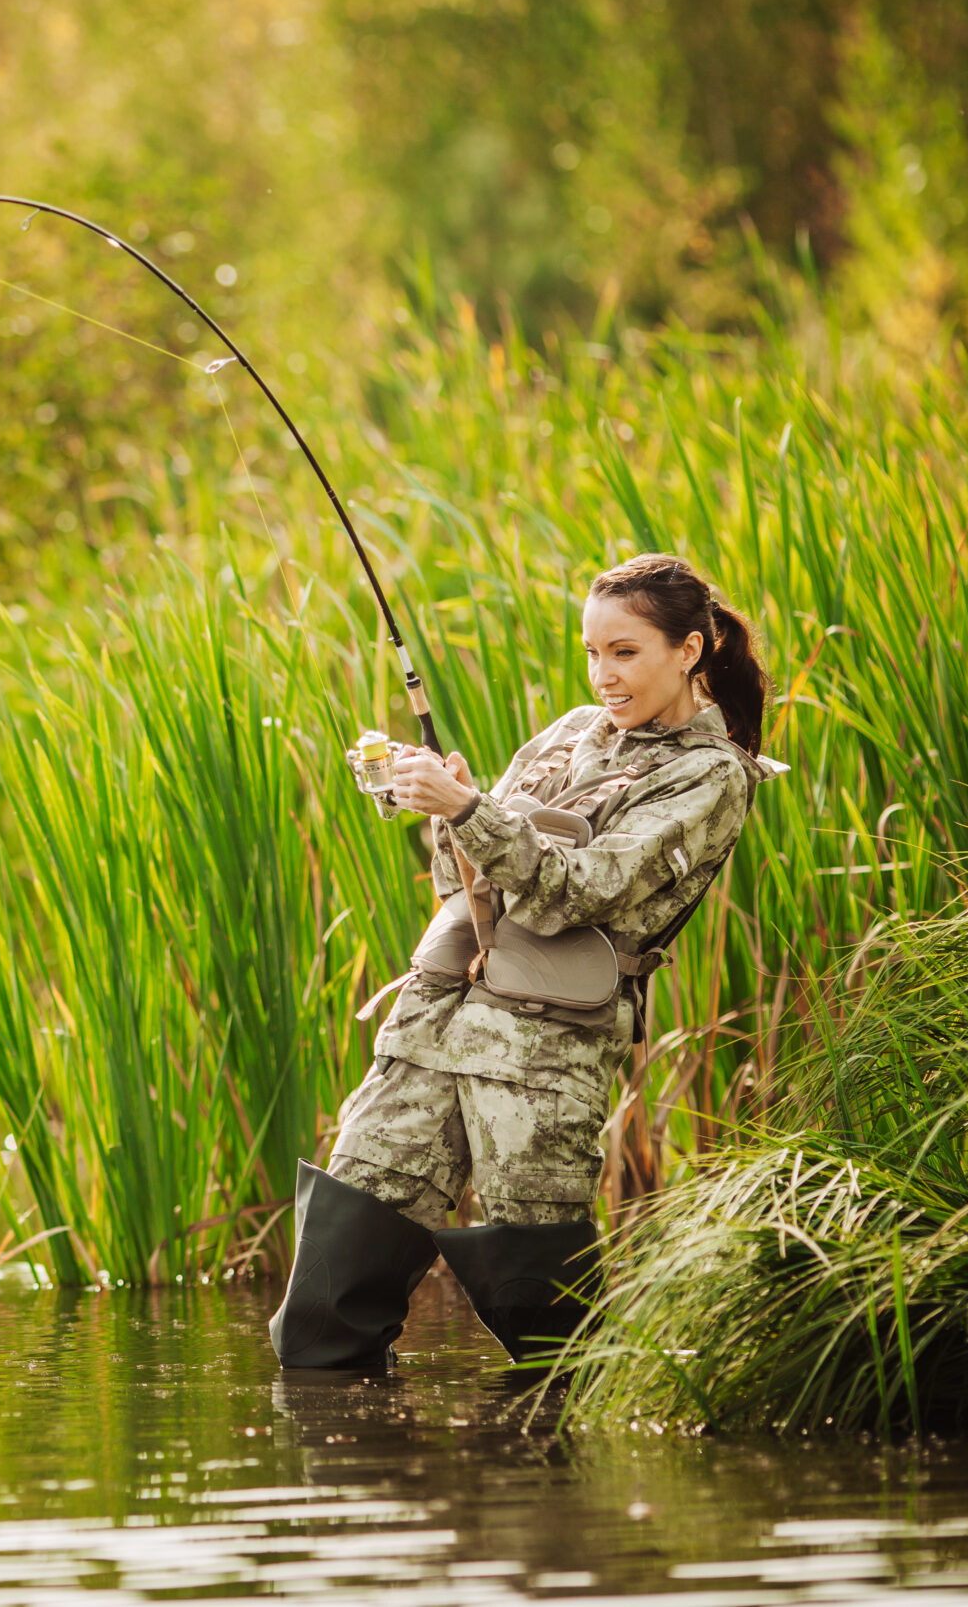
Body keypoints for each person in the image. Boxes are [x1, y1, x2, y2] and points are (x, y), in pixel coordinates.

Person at [270, 553, 781, 1370]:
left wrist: (470, 809)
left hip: (542, 1054)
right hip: (431, 1029)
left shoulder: (711, 776)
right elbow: (463, 882)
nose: (602, 674)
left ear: (688, 650)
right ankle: (344, 1479)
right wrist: (446, 803)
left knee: (548, 1342)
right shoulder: (570, 731)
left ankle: (566, 1488)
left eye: (625, 652)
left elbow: (575, 893)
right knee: (322, 1316)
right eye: (590, 651)